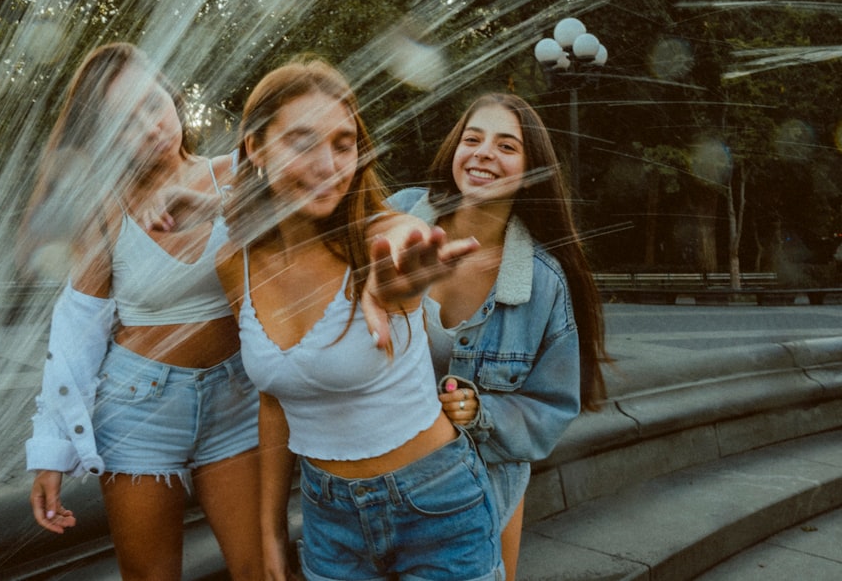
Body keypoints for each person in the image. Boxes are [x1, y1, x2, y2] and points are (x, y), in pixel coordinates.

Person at [216, 54, 504, 581]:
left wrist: (396, 281)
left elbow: (400, 241)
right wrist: (270, 531)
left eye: (342, 144)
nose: (328, 167)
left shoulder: (381, 234)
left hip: (437, 506)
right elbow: (273, 401)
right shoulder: (236, 265)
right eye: (302, 142)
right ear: (255, 147)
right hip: (328, 522)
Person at [20, 42, 261, 581]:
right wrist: (51, 449)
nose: (151, 127)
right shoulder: (107, 208)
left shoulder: (236, 174)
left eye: (154, 105)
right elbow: (78, 327)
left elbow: (306, 203)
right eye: (125, 123)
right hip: (138, 412)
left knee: (263, 570)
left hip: (237, 401)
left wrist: (208, 203)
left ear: (173, 98)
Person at [387, 92, 609, 581]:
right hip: (374, 485)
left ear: (531, 170)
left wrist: (480, 410)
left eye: (507, 146)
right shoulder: (398, 218)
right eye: (473, 139)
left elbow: (552, 404)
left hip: (478, 488)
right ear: (454, 152)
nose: (484, 152)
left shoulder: (544, 284)